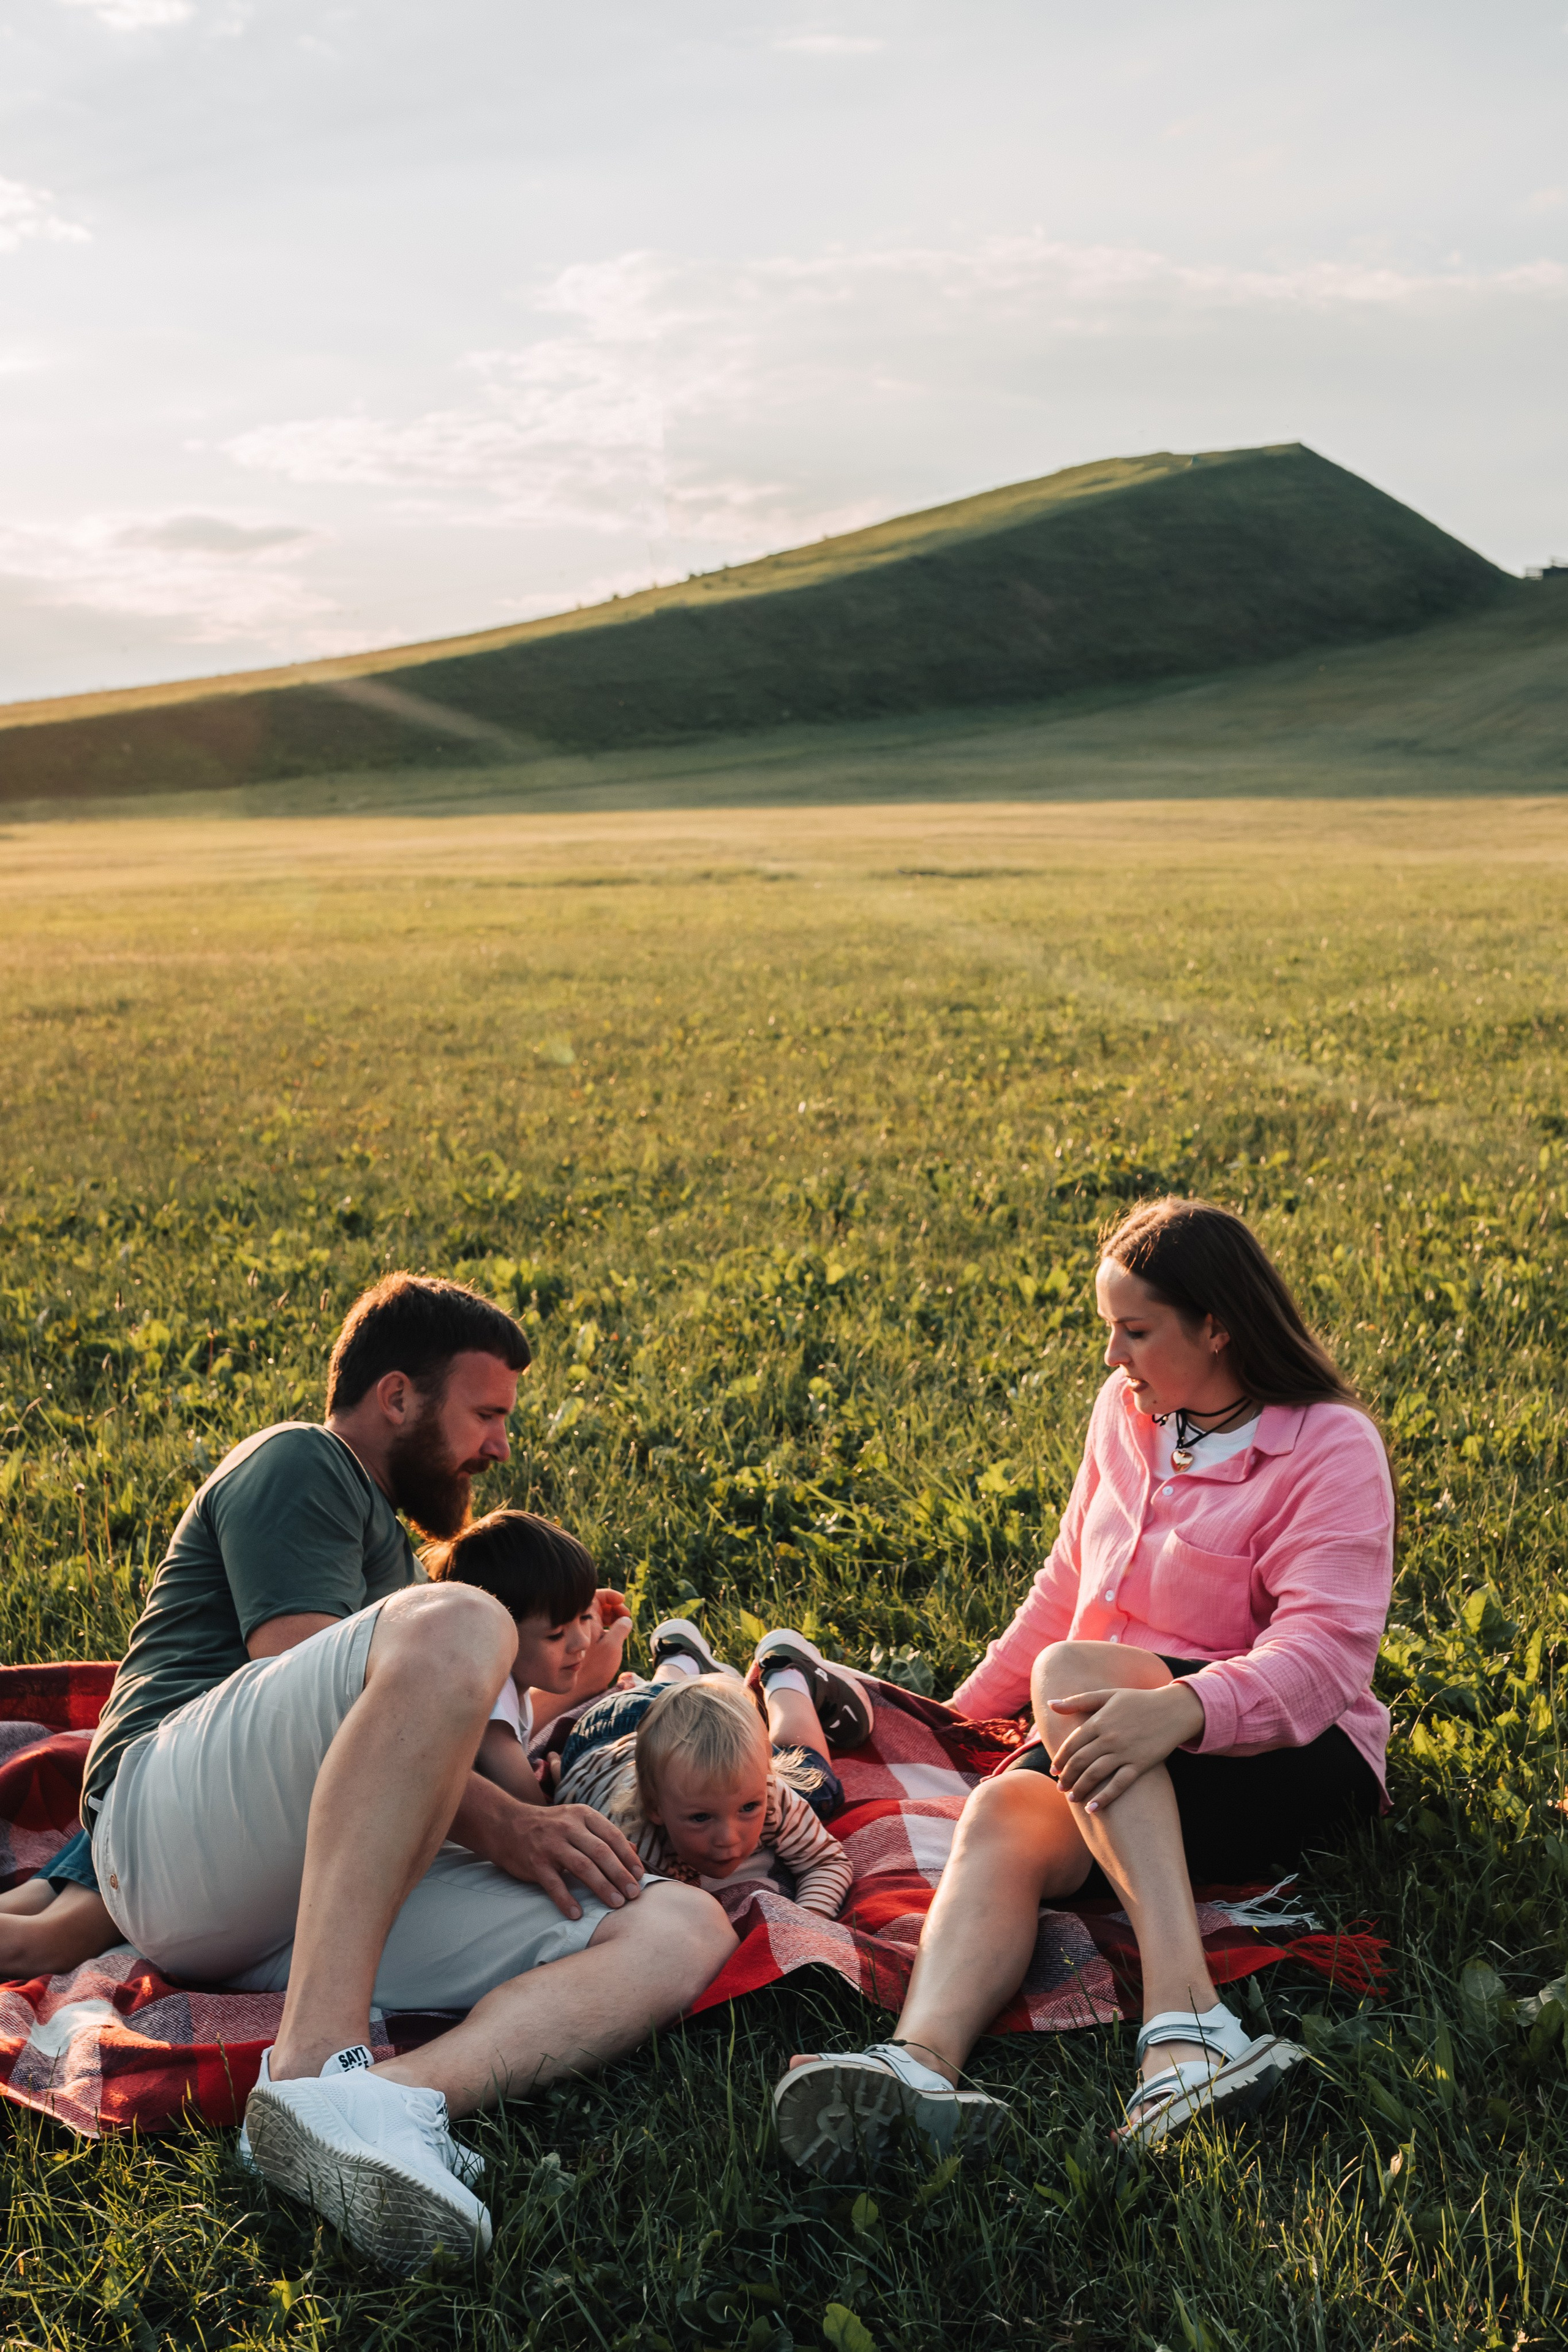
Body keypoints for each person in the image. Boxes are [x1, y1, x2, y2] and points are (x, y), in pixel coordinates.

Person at [81, 1273, 735, 2274]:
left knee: (681, 1926)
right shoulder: (304, 1462)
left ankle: (376, 2107)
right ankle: (316, 2065)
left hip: (288, 1906)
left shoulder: (391, 1559)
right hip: (163, 1828)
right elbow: (297, 1672)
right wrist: (510, 1828)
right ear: (397, 1397)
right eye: (486, 1413)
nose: (501, 1445)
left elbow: (422, 1759)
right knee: (466, 1615)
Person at [772, 1196, 1395, 2176]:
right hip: (1113, 1737)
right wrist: (960, 1718)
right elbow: (1067, 1583)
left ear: (1219, 1326)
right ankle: (920, 2063)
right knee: (1006, 1812)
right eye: (1110, 1331)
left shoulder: (1330, 1445)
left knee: (1073, 1674)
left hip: (1284, 1750)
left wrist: (1179, 1710)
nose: (1114, 1358)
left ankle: (1187, 2021)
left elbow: (1325, 1660)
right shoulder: (1127, 1414)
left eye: (1136, 1332)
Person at [556, 1622, 870, 1914]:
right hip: (601, 1736)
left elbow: (826, 1862)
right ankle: (680, 1665)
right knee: (668, 1710)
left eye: (748, 1807)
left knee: (815, 1785)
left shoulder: (771, 1793)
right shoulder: (630, 1847)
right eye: (701, 1817)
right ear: (655, 1808)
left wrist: (807, 1923)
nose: (728, 1839)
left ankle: (785, 1673)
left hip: (664, 1718)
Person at [424, 1507, 633, 1806]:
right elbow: (537, 1815)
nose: (581, 1642)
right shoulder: (489, 1704)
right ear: (493, 1636)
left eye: (585, 1616)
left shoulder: (509, 1681)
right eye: (556, 1634)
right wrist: (568, 1791)